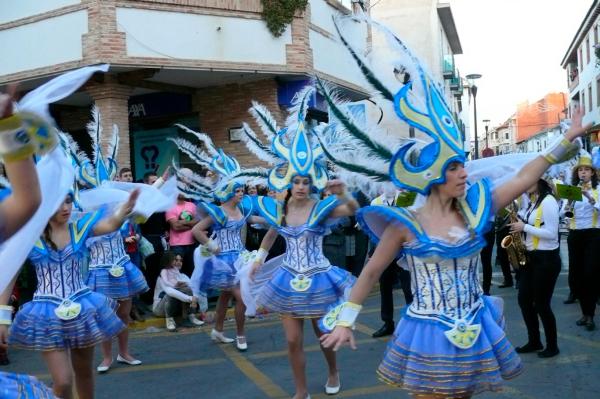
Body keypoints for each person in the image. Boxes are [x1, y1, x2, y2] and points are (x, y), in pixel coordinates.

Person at [316, 19, 590, 398]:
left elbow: (526, 176)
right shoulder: (405, 223)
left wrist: (564, 141)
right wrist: (346, 321)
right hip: (428, 330)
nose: (465, 173)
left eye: (462, 165)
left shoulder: (477, 208)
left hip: (473, 324)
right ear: (432, 176)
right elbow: (370, 273)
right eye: (455, 167)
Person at [239, 87, 359, 399]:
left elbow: (353, 210)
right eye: (297, 181)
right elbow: (271, 233)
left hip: (319, 276)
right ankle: (301, 390)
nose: (302, 186)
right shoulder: (281, 209)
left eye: (306, 181)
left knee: (323, 335)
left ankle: (333, 371)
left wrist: (343, 191)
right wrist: (258, 259)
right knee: (292, 340)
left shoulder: (322, 207)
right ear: (289, 183)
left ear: (312, 182)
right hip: (288, 278)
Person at [1, 190, 139, 399]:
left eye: (68, 201)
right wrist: (2, 318)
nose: (66, 208)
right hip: (46, 313)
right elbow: (9, 276)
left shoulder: (79, 229)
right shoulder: (31, 237)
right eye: (59, 202)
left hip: (82, 307)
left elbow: (110, 225)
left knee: (84, 372)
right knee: (63, 381)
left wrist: (124, 212)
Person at [171, 125, 266, 351]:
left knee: (225, 298)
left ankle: (218, 330)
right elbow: (196, 231)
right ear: (229, 192)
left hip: (240, 257)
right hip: (223, 260)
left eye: (242, 190)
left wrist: (271, 221)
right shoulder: (219, 212)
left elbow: (251, 220)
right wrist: (211, 245)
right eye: (238, 190)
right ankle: (241, 334)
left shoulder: (242, 210)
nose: (241, 193)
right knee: (241, 298)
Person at [509, 178, 561, 358]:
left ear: (540, 181)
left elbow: (552, 233)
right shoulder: (534, 202)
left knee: (542, 304)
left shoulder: (548, 202)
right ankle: (534, 341)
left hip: (546, 259)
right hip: (531, 258)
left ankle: (552, 345)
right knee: (524, 299)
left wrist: (525, 227)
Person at [562, 153, 599, 330]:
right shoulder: (572, 190)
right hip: (575, 234)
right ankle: (584, 314)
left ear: (592, 173)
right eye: (580, 170)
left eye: (586, 170)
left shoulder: (598, 189)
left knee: (590, 274)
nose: (583, 173)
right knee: (577, 275)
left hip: (593, 234)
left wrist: (590, 198)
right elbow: (562, 213)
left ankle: (590, 315)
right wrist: (568, 204)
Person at [368, 188, 412, 338]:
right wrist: (372, 252)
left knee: (408, 288)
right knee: (385, 286)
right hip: (385, 252)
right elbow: (373, 229)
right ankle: (387, 322)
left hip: (405, 252)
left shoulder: (407, 198)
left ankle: (411, 323)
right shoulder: (376, 202)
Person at [153, 252, 204, 331]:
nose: (178, 263)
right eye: (175, 260)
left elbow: (194, 289)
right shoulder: (162, 276)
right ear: (169, 261)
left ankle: (191, 316)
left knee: (188, 289)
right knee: (170, 295)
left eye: (181, 260)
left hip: (176, 308)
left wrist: (197, 303)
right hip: (160, 309)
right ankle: (169, 321)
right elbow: (170, 292)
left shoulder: (182, 276)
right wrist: (190, 298)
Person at [166, 194, 198, 277]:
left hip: (192, 244)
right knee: (176, 272)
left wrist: (182, 222)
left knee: (192, 272)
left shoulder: (192, 205)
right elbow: (176, 227)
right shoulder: (170, 206)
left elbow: (198, 222)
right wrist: (192, 225)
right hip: (177, 246)